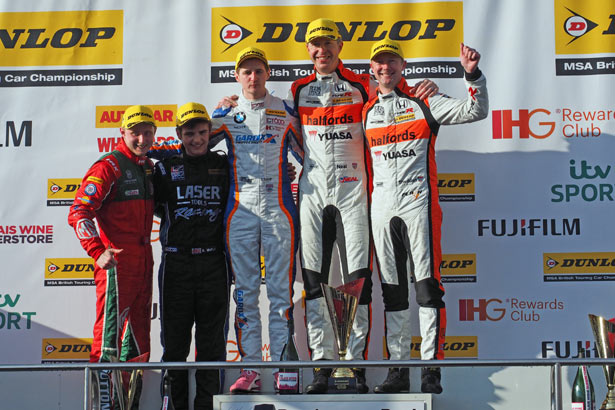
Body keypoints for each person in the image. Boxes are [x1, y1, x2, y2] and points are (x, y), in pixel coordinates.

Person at [289, 18, 437, 394]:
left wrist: (425, 88)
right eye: (315, 45)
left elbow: (396, 95)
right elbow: (275, 122)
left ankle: (354, 365)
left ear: (340, 46)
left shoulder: (362, 84)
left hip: (355, 193)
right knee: (313, 281)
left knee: (358, 282)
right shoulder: (297, 89)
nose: (322, 50)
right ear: (308, 50)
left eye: (328, 43)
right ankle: (322, 365)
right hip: (312, 194)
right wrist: (233, 105)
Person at [151, 47, 303, 394]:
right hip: (241, 211)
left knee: (281, 294)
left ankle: (283, 369)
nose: (253, 77)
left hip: (280, 208)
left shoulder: (286, 110)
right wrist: (139, 157)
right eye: (246, 72)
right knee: (246, 294)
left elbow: (311, 153)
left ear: (267, 74)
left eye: (258, 71)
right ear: (237, 76)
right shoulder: (227, 115)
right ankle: (249, 369)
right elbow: (190, 147)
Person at [363, 39, 489, 394]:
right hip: (381, 207)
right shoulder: (365, 110)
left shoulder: (424, 100)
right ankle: (398, 369)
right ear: (372, 70)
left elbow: (474, 111)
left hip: (418, 203)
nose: (385, 67)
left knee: (427, 287)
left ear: (402, 66)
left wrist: (472, 75)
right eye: (379, 63)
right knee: (393, 293)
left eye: (391, 61)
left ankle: (431, 368)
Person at [68, 105, 156, 409]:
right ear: (122, 133)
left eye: (148, 132)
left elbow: (188, 145)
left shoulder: (147, 166)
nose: (142, 139)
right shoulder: (109, 166)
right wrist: (96, 251)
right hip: (117, 269)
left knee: (139, 343)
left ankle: (129, 406)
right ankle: (103, 405)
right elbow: (78, 211)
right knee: (108, 343)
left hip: (144, 268)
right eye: (135, 133)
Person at [154, 102, 230, 410]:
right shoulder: (164, 167)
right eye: (189, 133)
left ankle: (207, 407)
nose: (196, 139)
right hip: (176, 263)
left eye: (201, 132)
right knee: (174, 345)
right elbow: (154, 206)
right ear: (178, 134)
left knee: (211, 345)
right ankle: (176, 407)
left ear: (211, 133)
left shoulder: (225, 166)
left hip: (213, 262)